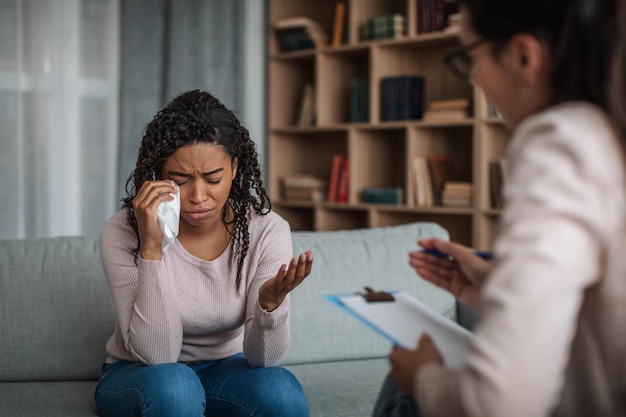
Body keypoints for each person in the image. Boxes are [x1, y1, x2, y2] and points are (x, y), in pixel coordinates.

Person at [373, 0, 626, 416]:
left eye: (468, 57)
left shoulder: (563, 143)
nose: (473, 79)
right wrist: (493, 286)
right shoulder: (610, 134)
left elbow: (499, 403)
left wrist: (423, 377)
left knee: (405, 385)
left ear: (523, 56)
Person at [95, 89, 313, 417]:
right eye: (180, 179)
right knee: (175, 385)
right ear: (159, 175)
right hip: (140, 373)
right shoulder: (122, 230)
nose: (198, 196)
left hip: (224, 371)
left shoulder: (267, 230)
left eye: (213, 179)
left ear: (235, 167)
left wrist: (269, 305)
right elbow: (159, 355)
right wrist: (151, 250)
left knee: (281, 392)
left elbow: (263, 361)